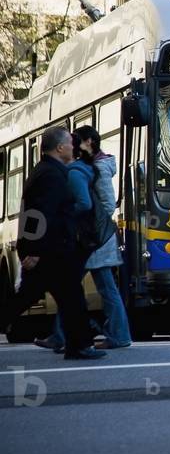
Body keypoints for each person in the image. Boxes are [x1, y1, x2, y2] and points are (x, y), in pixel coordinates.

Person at [0, 126, 105, 360]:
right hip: (51, 251)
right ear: (59, 148)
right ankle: (79, 345)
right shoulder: (51, 175)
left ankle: (78, 345)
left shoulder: (48, 171)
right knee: (53, 297)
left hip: (52, 249)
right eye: (70, 142)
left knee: (65, 297)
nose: (74, 146)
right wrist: (34, 251)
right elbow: (40, 215)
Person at [36, 126, 131, 351]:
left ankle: (113, 335)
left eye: (76, 141)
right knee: (74, 286)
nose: (73, 145)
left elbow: (107, 204)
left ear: (88, 142)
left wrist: (85, 224)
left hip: (94, 238)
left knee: (76, 286)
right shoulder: (89, 166)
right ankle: (65, 335)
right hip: (93, 237)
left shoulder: (97, 167)